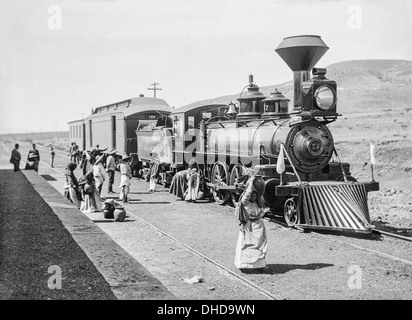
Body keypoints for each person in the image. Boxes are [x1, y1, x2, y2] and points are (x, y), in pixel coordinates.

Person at [234, 175, 268, 271]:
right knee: (247, 245)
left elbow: (262, 210)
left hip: (258, 227)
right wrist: (252, 182)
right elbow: (247, 194)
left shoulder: (258, 203)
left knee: (259, 245)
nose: (252, 196)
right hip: (249, 227)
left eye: (254, 195)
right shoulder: (246, 203)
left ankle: (258, 265)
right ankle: (245, 265)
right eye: (251, 195)